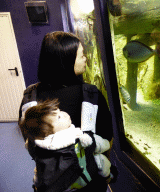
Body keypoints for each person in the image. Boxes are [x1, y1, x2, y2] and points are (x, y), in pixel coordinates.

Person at [18, 31, 114, 191]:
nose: (86, 59)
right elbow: (106, 136)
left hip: (50, 182)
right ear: (67, 60)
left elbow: (29, 138)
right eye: (81, 55)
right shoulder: (91, 93)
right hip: (90, 182)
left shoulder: (30, 96)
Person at [20, 99, 114, 191]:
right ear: (47, 132)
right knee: (99, 159)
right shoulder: (75, 136)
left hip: (60, 187)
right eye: (59, 117)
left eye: (60, 111)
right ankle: (108, 176)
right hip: (80, 180)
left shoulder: (39, 145)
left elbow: (40, 171)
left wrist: (38, 185)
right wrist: (107, 144)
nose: (64, 114)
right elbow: (95, 143)